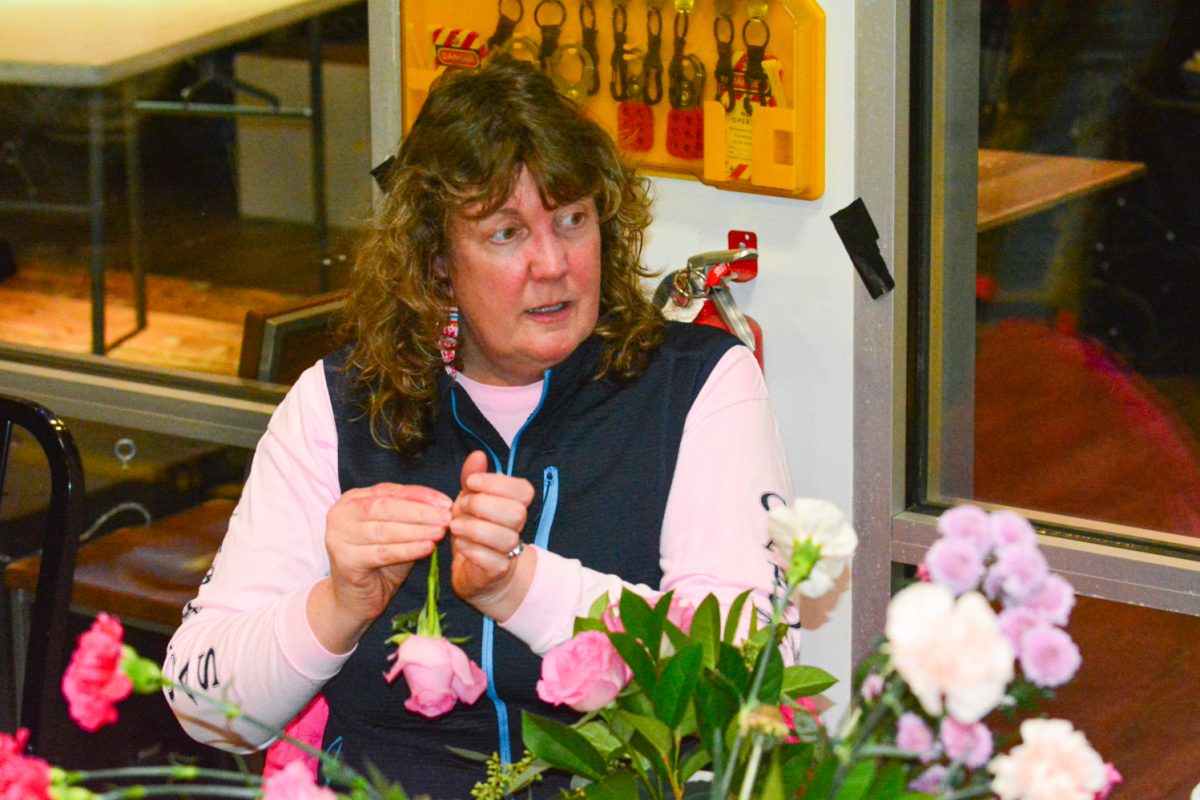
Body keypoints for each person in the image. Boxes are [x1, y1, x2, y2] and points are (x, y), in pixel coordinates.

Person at [163, 55, 795, 799]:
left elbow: (744, 682)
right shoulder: (339, 404)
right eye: (504, 233)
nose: (552, 263)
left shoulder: (699, 386)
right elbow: (202, 705)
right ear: (437, 262)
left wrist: (521, 586)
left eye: (572, 219)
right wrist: (336, 606)